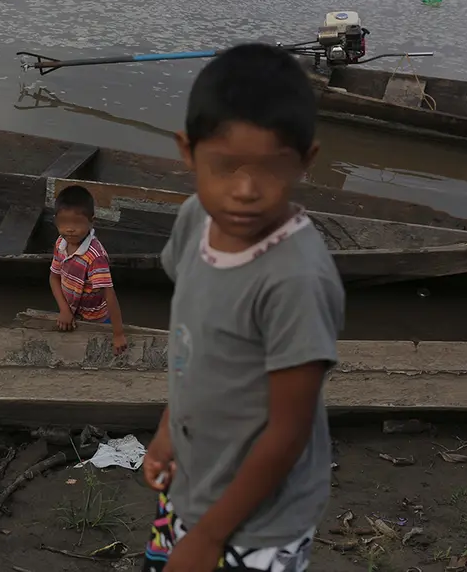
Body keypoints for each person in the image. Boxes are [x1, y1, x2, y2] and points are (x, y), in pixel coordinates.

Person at [141, 43, 345, 572]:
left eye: (272, 168)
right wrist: (168, 430)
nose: (246, 191)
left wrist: (209, 537)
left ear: (306, 161)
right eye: (225, 166)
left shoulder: (296, 281)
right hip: (196, 480)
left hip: (261, 522)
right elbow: (194, 349)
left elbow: (288, 432)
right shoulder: (194, 221)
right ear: (188, 152)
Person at [49, 185, 127, 356]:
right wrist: (64, 310)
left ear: (92, 221)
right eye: (64, 223)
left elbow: (109, 295)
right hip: (71, 310)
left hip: (96, 318)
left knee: (98, 352)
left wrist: (118, 334)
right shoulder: (60, 244)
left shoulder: (95, 257)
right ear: (56, 221)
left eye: (77, 223)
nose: (70, 229)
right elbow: (54, 278)